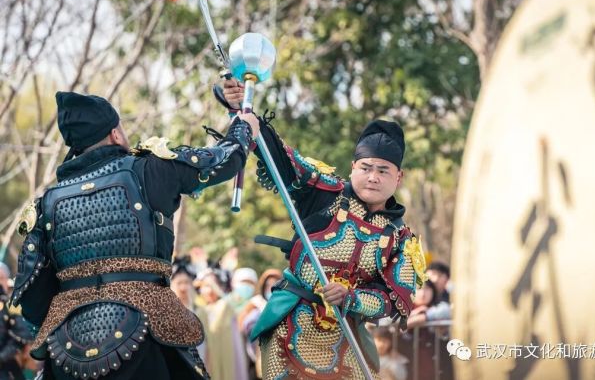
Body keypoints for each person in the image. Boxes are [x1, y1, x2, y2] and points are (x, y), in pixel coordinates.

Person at [11, 91, 258, 380]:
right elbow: (222, 160)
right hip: (146, 333)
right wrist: (244, 126)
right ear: (115, 133)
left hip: (69, 350)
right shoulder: (151, 168)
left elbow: (32, 295)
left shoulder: (46, 203)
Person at [219, 80, 426, 379]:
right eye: (366, 167)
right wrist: (244, 109)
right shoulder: (323, 191)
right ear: (353, 167)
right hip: (290, 327)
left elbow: (394, 300)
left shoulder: (401, 239)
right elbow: (280, 157)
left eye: (383, 171)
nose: (373, 177)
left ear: (399, 177)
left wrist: (351, 298)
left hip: (347, 338)